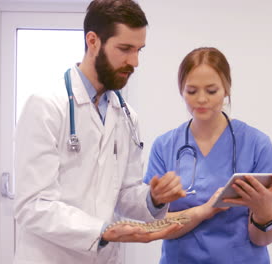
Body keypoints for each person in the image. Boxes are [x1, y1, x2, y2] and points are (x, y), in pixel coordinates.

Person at [13, 1, 186, 263]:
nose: (135, 62)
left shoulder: (126, 115)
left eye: (139, 50)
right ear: (93, 41)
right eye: (125, 49)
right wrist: (101, 231)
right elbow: (33, 205)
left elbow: (125, 193)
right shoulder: (46, 106)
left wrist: (153, 198)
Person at [144, 47, 272, 264]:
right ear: (181, 90)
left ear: (226, 89)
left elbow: (264, 237)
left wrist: (264, 211)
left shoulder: (257, 144)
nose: (201, 99)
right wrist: (205, 210)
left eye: (211, 90)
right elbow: (154, 226)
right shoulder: (164, 147)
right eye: (191, 91)